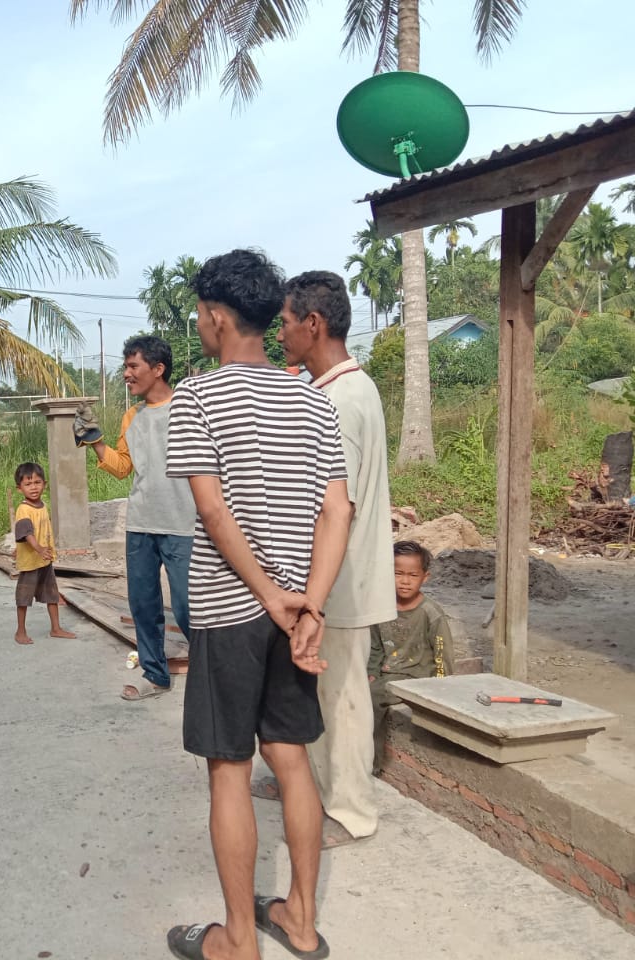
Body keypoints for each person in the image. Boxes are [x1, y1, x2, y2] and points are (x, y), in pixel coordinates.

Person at [164, 249, 352, 960]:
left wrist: (269, 596)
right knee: (292, 757)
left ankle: (238, 938)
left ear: (216, 318)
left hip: (230, 605)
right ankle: (299, 920)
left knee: (229, 769)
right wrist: (311, 607)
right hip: (297, 609)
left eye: (201, 317)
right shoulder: (312, 396)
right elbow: (337, 510)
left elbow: (213, 515)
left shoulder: (199, 396)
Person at [265, 269, 396, 846]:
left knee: (342, 698)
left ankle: (352, 812)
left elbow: (332, 509)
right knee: (319, 692)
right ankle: (315, 788)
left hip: (337, 587)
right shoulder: (337, 390)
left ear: (313, 325)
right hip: (330, 584)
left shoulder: (340, 400)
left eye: (287, 324)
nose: (281, 335)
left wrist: (313, 599)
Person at [75, 335, 196, 699]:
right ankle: (155, 674)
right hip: (141, 524)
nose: (126, 374)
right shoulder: (132, 416)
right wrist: (95, 440)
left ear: (158, 369)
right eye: (125, 366)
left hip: (184, 525)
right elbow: (123, 467)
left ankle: (212, 672)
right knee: (143, 604)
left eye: (133, 367)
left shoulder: (188, 408)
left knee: (190, 606)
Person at [369, 540, 454, 772]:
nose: (405, 581)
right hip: (387, 675)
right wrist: (371, 672)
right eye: (398, 574)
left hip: (416, 677)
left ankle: (372, 766)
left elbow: (442, 653)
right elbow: (375, 646)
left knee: (371, 701)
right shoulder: (382, 607)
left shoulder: (430, 613)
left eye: (412, 575)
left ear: (424, 577)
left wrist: (442, 688)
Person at [12, 461, 76, 645]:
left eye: (37, 482)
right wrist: (39, 549)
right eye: (28, 484)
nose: (33, 487)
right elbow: (27, 533)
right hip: (31, 561)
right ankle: (20, 631)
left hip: (45, 561)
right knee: (23, 598)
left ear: (44, 484)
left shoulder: (42, 505)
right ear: (19, 488)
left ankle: (56, 628)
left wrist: (43, 551)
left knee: (52, 595)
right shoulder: (24, 509)